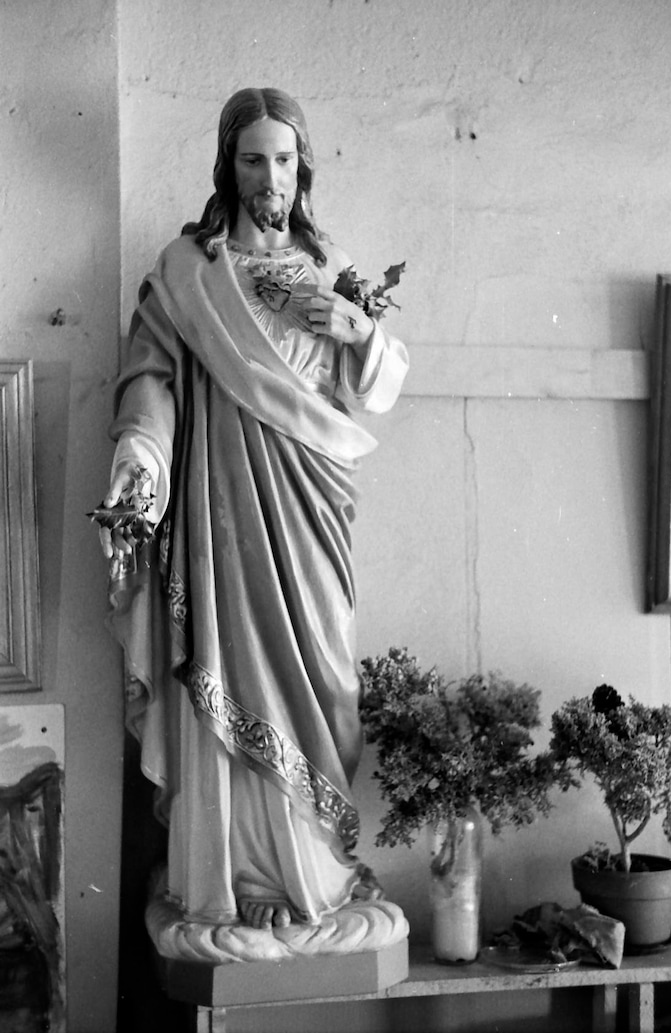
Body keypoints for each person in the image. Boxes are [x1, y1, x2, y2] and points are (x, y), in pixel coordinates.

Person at [98, 87, 409, 961]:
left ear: (302, 167)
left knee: (322, 673)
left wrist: (358, 330)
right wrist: (141, 458)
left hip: (312, 514)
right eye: (252, 159)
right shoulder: (189, 273)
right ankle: (233, 884)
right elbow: (149, 379)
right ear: (227, 167)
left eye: (283, 159)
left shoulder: (332, 264)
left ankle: (315, 876)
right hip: (221, 519)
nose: (270, 177)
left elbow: (376, 387)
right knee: (229, 669)